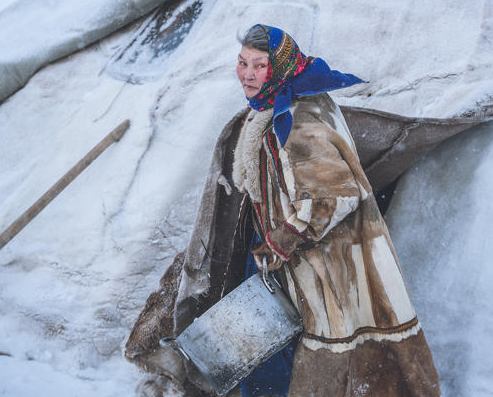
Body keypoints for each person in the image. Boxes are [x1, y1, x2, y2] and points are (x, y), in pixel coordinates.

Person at [125, 24, 441, 397]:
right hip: (279, 249)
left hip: (312, 260)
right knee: (261, 342)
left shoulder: (299, 122)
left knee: (276, 352)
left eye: (259, 65)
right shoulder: (287, 102)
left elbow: (333, 194)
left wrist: (283, 239)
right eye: (242, 63)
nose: (247, 74)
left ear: (279, 67)